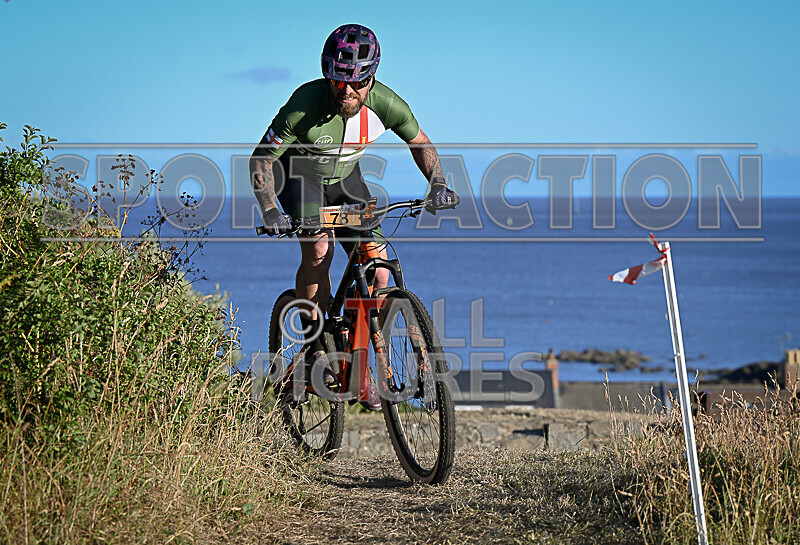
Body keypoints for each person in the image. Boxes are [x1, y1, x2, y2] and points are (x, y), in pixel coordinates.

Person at [250, 23, 458, 409]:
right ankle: (316, 348)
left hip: (346, 180)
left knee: (379, 270)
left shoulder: (388, 104)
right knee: (319, 249)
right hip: (300, 177)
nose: (345, 91)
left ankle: (358, 352)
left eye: (356, 83)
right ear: (327, 75)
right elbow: (261, 160)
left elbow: (421, 143)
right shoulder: (304, 103)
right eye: (337, 81)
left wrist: (438, 183)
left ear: (371, 77)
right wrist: (269, 208)